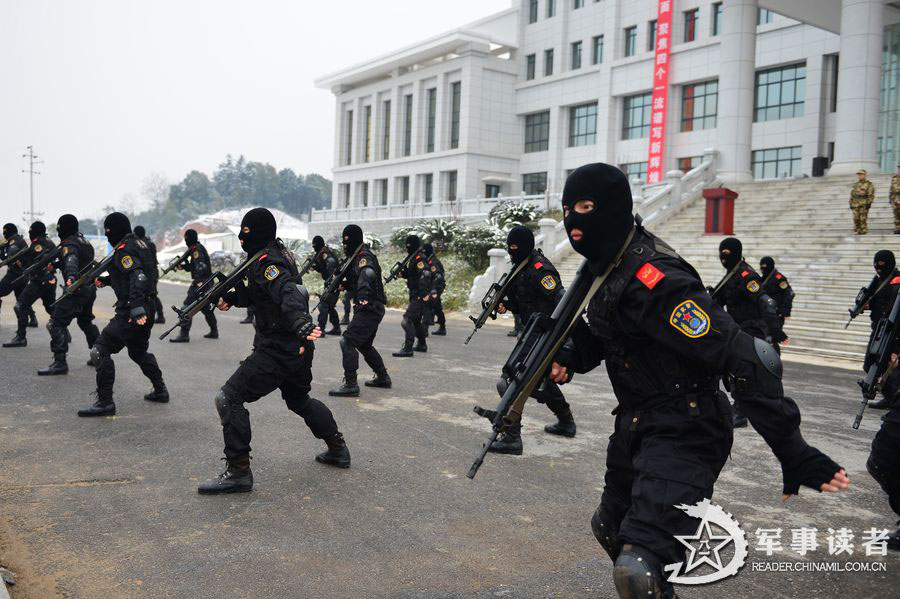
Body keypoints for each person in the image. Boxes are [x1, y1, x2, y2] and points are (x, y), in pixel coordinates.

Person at [548, 163, 848, 598]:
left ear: (611, 209)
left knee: (637, 568)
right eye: (567, 209)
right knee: (611, 529)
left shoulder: (656, 280)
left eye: (586, 207)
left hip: (687, 428)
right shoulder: (607, 269)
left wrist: (792, 448)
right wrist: (570, 354)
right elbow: (613, 337)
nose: (574, 221)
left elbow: (747, 356)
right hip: (636, 424)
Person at [198, 208, 350, 494]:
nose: (242, 241)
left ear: (255, 234)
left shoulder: (268, 261)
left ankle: (239, 471)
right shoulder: (269, 253)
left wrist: (301, 321)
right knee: (299, 399)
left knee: (228, 397)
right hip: (296, 347)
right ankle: (337, 448)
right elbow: (261, 293)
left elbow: (288, 291)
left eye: (246, 234)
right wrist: (231, 297)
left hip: (279, 348)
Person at [488, 225, 577, 455]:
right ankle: (566, 422)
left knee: (509, 381)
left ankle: (511, 437)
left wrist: (564, 345)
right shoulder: (521, 266)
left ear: (525, 246)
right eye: (509, 248)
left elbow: (562, 302)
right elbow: (522, 302)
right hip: (531, 333)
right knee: (540, 380)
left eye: (515, 247)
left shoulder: (540, 270)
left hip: (544, 335)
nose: (511, 251)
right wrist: (506, 305)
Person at [78, 212, 168, 416]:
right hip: (147, 305)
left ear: (113, 230)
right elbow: (135, 274)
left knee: (99, 351)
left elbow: (139, 276)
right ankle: (160, 390)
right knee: (138, 351)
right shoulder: (141, 244)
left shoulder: (125, 249)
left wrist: (135, 308)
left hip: (132, 309)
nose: (108, 236)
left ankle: (105, 402)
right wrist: (108, 280)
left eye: (108, 231)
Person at [711, 237, 786, 427]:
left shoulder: (747, 276)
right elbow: (717, 301)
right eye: (721, 254)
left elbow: (766, 302)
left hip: (753, 330)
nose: (723, 257)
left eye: (726, 253)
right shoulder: (730, 275)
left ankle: (741, 411)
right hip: (736, 329)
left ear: (736, 253)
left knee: (744, 371)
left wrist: (775, 332)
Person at [329, 224, 391, 397]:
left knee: (347, 341)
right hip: (371, 306)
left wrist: (363, 296)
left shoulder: (363, 257)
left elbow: (367, 274)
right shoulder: (354, 257)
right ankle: (383, 377)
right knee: (364, 344)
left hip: (369, 306)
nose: (344, 244)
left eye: (347, 240)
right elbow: (356, 281)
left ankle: (351, 384)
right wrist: (344, 285)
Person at [38, 214, 100, 375]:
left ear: (62, 228)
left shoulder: (69, 244)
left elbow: (71, 259)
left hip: (77, 289)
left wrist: (71, 277)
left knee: (55, 323)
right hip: (89, 289)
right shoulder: (84, 242)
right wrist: (58, 265)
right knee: (85, 321)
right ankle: (100, 355)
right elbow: (80, 260)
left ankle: (60, 363)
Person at [3, 221, 56, 348]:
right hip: (50, 281)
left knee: (20, 306)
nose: (30, 233)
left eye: (31, 231)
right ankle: (63, 332)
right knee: (51, 308)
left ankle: (21, 337)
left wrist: (21, 263)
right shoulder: (50, 242)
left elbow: (34, 261)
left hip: (39, 280)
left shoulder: (37, 244)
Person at [864, 250, 900, 410]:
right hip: (878, 330)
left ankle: (895, 402)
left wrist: (897, 345)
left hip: (893, 332)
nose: (878, 268)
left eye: (882, 264)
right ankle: (890, 398)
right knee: (869, 364)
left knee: (890, 368)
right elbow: (877, 302)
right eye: (876, 264)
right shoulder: (879, 280)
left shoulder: (897, 281)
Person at [169, 229, 217, 342]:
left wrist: (198, 282)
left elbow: (201, 266)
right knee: (205, 308)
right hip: (206, 281)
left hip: (201, 282)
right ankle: (214, 331)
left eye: (186, 238)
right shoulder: (196, 248)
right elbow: (194, 266)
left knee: (187, 307)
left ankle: (184, 334)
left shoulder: (196, 249)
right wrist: (184, 267)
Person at [392, 234, 431, 357]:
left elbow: (425, 274)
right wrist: (403, 274)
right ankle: (422, 344)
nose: (407, 247)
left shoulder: (419, 258)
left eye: (409, 245)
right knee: (416, 321)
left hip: (419, 295)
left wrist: (423, 293)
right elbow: (413, 275)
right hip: (415, 293)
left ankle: (408, 347)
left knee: (407, 320)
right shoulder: (413, 257)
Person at [0, 223, 37, 329]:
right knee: (22, 298)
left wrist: (4, 248)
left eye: (5, 232)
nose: (4, 234)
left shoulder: (14, 242)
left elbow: (9, 258)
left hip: (14, 275)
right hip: (22, 275)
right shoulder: (17, 240)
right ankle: (33, 318)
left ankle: (27, 321)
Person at [310, 235, 342, 336]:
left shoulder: (326, 255)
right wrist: (316, 266)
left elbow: (330, 270)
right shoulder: (321, 253)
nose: (314, 248)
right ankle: (336, 328)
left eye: (315, 246)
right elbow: (323, 269)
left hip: (333, 284)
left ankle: (321, 329)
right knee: (330, 306)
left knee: (323, 304)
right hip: (332, 284)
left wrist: (329, 284)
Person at [133, 226, 165, 324]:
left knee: (151, 295)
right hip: (153, 271)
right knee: (152, 294)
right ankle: (159, 316)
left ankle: (157, 316)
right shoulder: (149, 243)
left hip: (149, 272)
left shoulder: (143, 244)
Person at [759, 256, 794, 335]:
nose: (762, 269)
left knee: (773, 337)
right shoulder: (762, 278)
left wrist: (785, 310)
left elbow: (789, 293)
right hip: (764, 313)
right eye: (761, 267)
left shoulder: (779, 278)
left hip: (776, 314)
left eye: (765, 267)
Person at [421, 242, 447, 336]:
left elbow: (438, 276)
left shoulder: (433, 262)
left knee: (428, 306)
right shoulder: (429, 260)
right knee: (437, 307)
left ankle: (424, 329)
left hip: (436, 287)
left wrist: (433, 290)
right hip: (435, 287)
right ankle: (442, 327)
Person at [850, 168, 875, 235]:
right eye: (858, 174)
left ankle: (863, 231)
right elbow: (852, 194)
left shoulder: (869, 184)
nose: (859, 176)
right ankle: (857, 230)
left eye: (861, 174)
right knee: (856, 218)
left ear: (865, 175)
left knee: (863, 218)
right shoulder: (856, 184)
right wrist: (850, 203)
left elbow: (871, 195)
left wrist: (869, 203)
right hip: (855, 204)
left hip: (864, 204)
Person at [891, 163, 900, 235]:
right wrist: (890, 199)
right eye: (899, 168)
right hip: (895, 199)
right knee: (896, 214)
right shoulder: (894, 178)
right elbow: (891, 190)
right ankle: (897, 228)